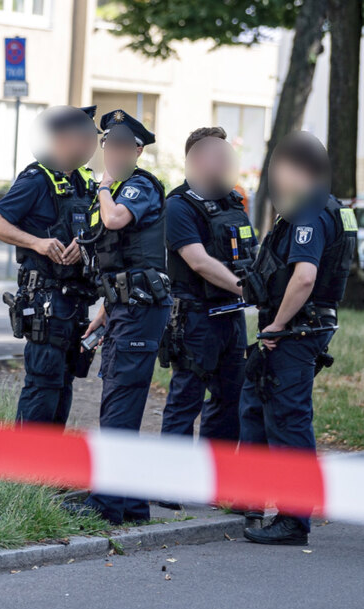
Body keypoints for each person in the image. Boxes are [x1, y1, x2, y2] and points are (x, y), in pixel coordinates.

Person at [238, 132, 357, 545]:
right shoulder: (330, 208)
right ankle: (251, 497)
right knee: (257, 405)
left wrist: (275, 326)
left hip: (295, 328)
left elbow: (305, 277)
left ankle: (293, 519)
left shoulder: (309, 212)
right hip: (299, 326)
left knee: (289, 420)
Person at [65, 109, 170, 525]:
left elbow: (114, 220)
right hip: (125, 308)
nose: (114, 152)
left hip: (142, 310)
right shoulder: (117, 188)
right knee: (117, 400)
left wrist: (105, 188)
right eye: (109, 144)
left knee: (120, 403)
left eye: (124, 146)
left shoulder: (136, 187)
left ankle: (110, 504)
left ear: (138, 150)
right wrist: (105, 311)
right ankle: (129, 504)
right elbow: (120, 257)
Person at [0, 105, 100, 426]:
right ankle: (24, 468)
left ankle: (50, 467)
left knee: (63, 385)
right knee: (43, 386)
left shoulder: (84, 181)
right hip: (46, 301)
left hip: (76, 301)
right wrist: (37, 243)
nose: (91, 146)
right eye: (86, 138)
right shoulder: (37, 179)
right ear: (62, 139)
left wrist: (87, 245)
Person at [160, 128, 258, 446]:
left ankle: (215, 481)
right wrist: (248, 289)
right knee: (186, 399)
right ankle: (170, 485)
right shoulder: (178, 205)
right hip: (195, 318)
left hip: (232, 317)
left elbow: (249, 255)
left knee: (231, 398)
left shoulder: (233, 202)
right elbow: (198, 261)